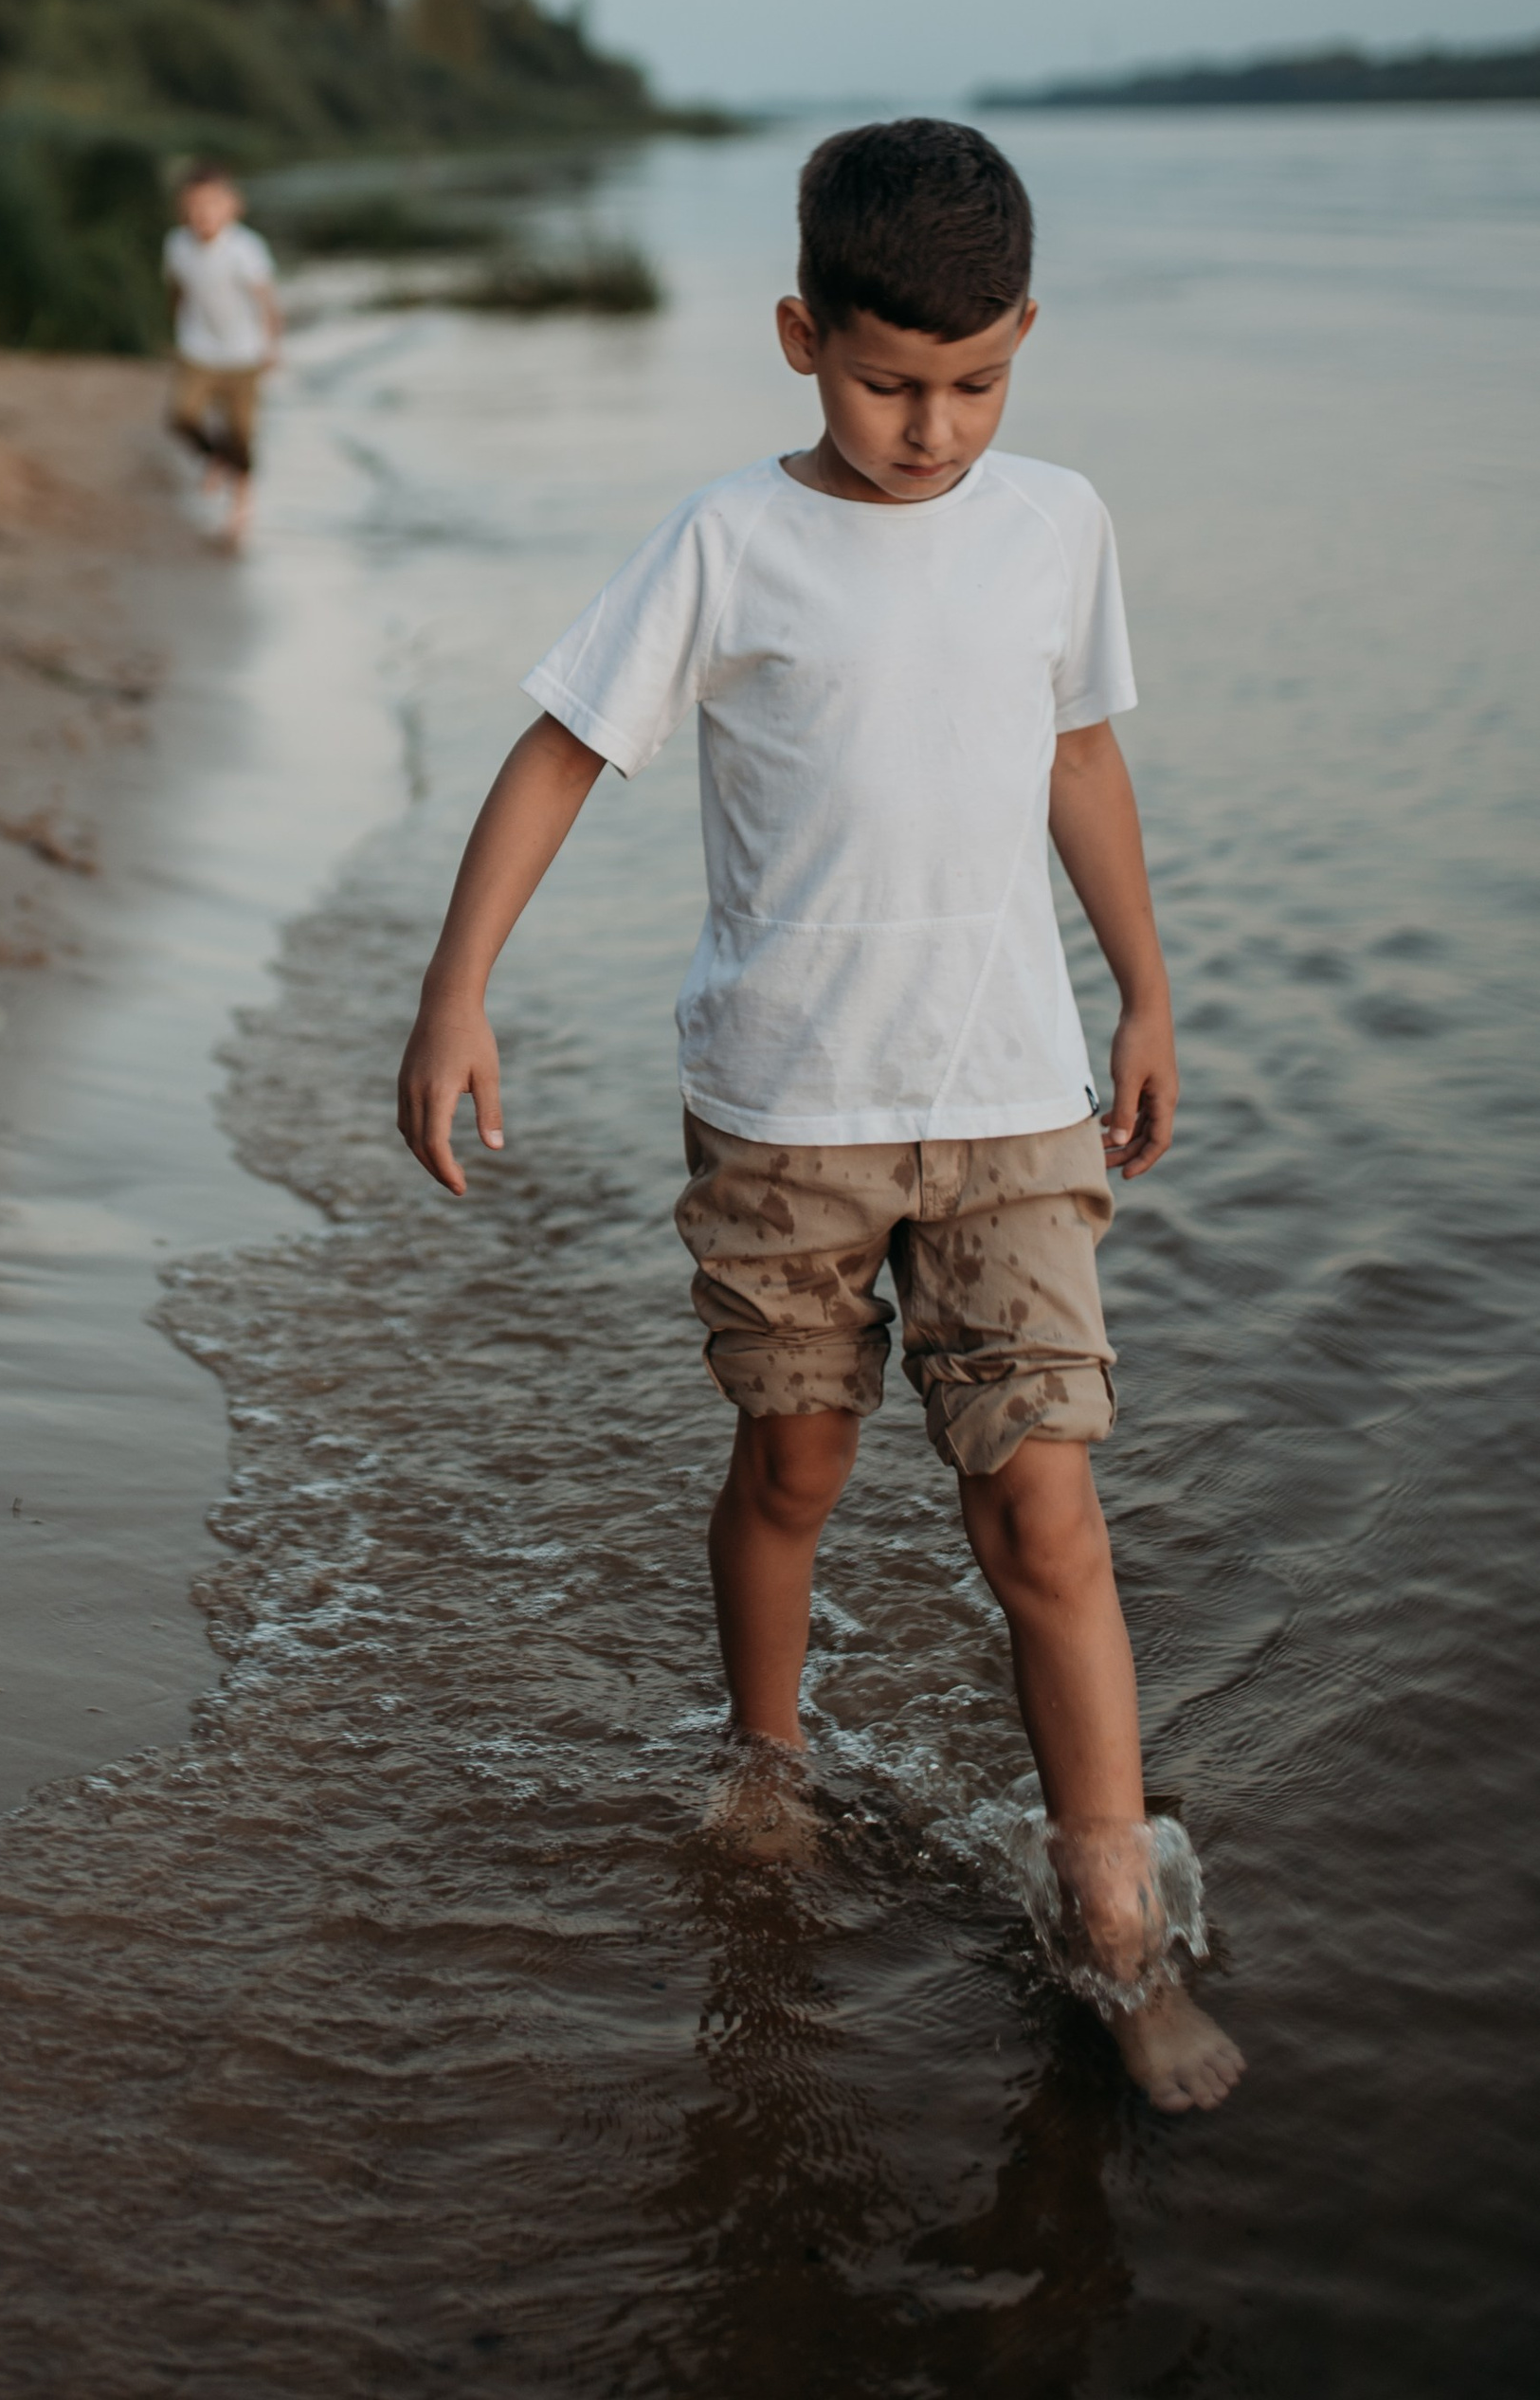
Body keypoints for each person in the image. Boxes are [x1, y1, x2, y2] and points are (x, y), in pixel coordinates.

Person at [393, 118, 1244, 2117]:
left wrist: (1141, 983)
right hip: (782, 1115)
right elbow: (553, 754)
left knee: (1041, 1502)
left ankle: (1112, 1927)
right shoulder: (728, 540)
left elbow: (1078, 756)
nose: (930, 426)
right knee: (789, 1468)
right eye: (885, 380)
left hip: (1014, 1100)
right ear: (798, 335)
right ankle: (764, 1762)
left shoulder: (1054, 522)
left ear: (1023, 340)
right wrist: (456, 992)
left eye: (973, 381)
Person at [161, 167, 281, 546]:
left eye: (212, 204)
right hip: (197, 347)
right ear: (183, 209)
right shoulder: (177, 245)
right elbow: (177, 290)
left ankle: (239, 513)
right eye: (195, 206)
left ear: (233, 207)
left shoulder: (245, 249)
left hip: (244, 354)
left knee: (242, 434)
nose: (203, 214)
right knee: (182, 416)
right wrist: (173, 328)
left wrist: (272, 345)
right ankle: (215, 456)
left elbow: (267, 301)